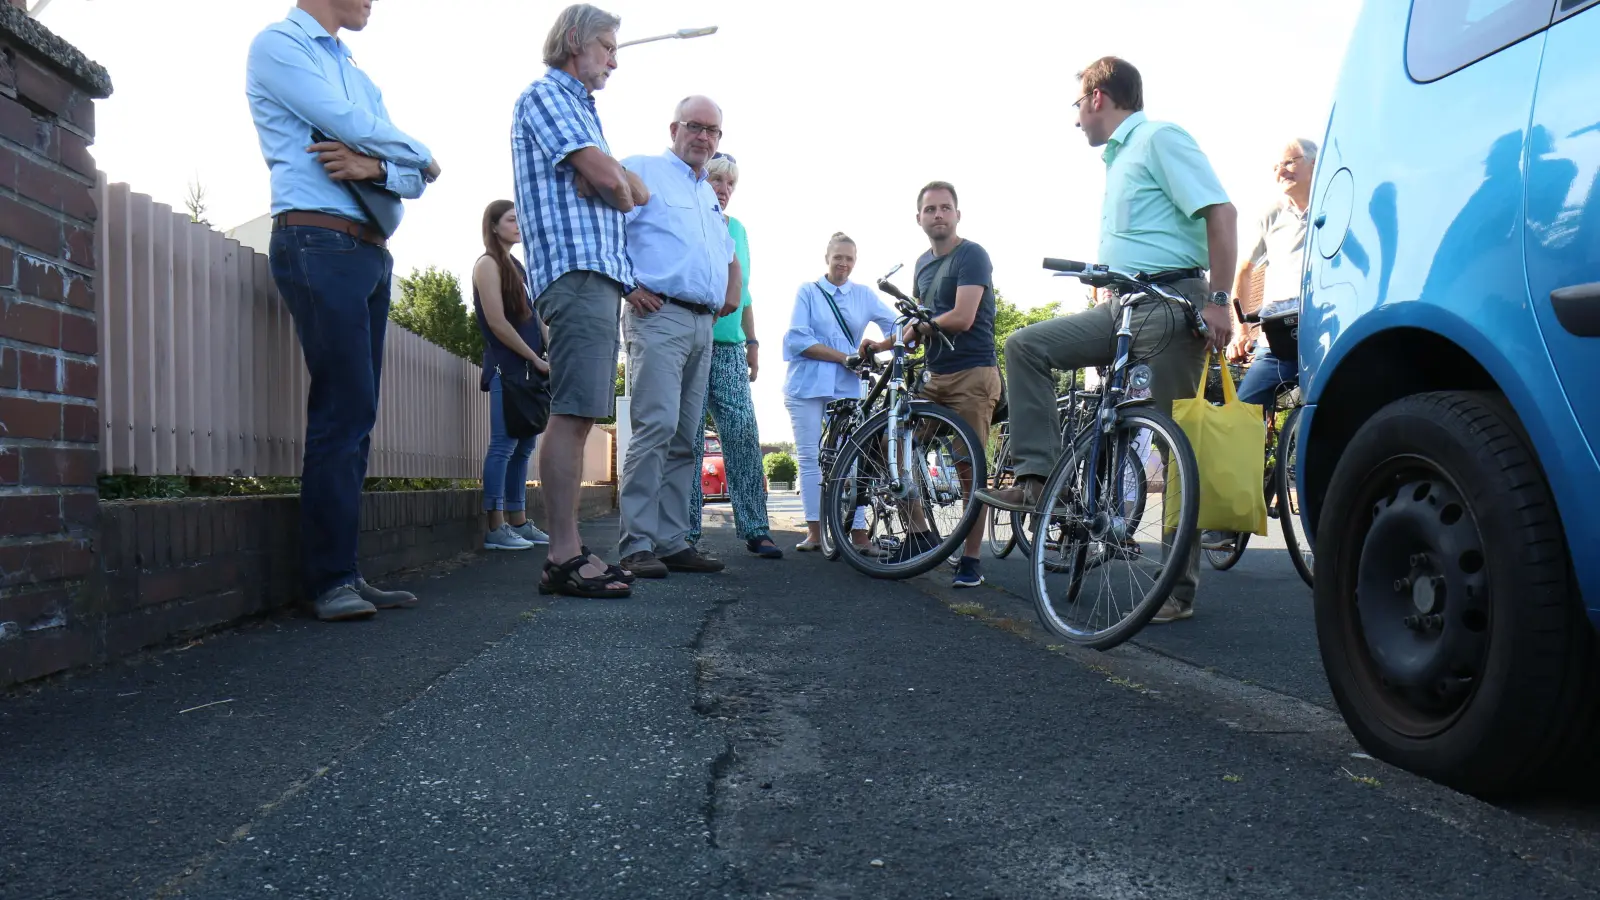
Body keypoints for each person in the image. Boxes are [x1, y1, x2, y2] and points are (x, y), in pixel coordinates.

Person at [974, 56, 1236, 625]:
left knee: (1173, 446)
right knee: (1026, 346)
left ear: (1097, 97)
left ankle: (1177, 590)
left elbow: (1221, 211)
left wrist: (1219, 300)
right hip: (1123, 305)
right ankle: (1036, 481)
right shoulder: (1119, 160)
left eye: (1077, 107)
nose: (1075, 122)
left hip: (1170, 306)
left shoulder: (1159, 138)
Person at [247, 0, 443, 621]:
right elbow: (344, 121)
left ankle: (346, 574)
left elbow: (411, 179)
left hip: (369, 251)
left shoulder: (357, 71)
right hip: (316, 239)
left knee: (358, 411)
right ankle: (329, 580)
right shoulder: (280, 45)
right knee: (343, 407)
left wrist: (379, 164)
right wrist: (414, 150)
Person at [512, 4, 652, 599]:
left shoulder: (580, 110)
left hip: (594, 275)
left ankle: (566, 549)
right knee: (571, 415)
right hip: (576, 272)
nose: (614, 60)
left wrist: (611, 180)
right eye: (607, 46)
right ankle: (563, 555)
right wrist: (610, 182)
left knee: (581, 413)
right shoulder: (547, 96)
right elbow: (616, 187)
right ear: (574, 41)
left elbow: (627, 188)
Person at [614, 96, 741, 579]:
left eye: (713, 131)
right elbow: (608, 228)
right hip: (658, 314)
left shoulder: (708, 193)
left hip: (700, 323)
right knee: (656, 428)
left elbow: (725, 252)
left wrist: (728, 293)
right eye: (695, 126)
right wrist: (627, 285)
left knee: (687, 436)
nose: (704, 137)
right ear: (674, 129)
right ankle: (636, 544)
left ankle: (670, 540)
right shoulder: (642, 169)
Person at [860, 181, 1001, 587]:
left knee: (969, 468)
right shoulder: (922, 263)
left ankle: (972, 560)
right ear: (919, 218)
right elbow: (915, 324)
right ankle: (920, 533)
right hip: (933, 377)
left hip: (973, 374)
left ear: (957, 214)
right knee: (891, 450)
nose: (938, 215)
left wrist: (918, 327)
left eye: (945, 208)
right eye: (930, 209)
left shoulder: (972, 255)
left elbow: (962, 316)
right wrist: (883, 344)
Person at [1201, 138, 1317, 553]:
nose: (1280, 170)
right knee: (1243, 413)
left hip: (1322, 326)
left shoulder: (1333, 206)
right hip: (1276, 330)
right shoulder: (1271, 214)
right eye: (1276, 165)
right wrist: (1243, 327)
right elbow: (1246, 270)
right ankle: (1231, 518)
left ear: (1314, 164)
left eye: (1289, 162)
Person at [687, 153, 784, 559]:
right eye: (716, 181)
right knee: (687, 438)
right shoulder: (687, 223)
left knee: (743, 431)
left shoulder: (738, 229)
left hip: (730, 345)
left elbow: (743, 293)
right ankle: (686, 532)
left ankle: (755, 528)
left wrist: (754, 342)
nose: (724, 190)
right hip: (691, 338)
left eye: (730, 184)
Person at [783, 233, 898, 553]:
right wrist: (843, 357)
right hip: (806, 384)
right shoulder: (809, 291)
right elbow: (798, 340)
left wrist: (879, 347)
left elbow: (896, 326)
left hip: (847, 386)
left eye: (849, 258)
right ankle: (815, 532)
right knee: (809, 458)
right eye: (838, 257)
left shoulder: (863, 294)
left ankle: (858, 534)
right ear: (827, 258)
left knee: (854, 460)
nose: (843, 263)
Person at [472, 200, 552, 551]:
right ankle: (495, 527)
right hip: (508, 366)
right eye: (510, 219)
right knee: (504, 444)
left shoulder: (517, 267)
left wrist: (550, 352)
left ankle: (518, 521)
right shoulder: (487, 264)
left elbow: (535, 318)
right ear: (493, 225)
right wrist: (533, 356)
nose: (518, 224)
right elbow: (497, 323)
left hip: (530, 369)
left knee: (524, 445)